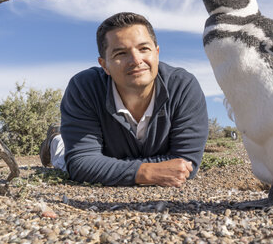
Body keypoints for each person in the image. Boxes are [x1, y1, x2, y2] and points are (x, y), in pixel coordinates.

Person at [39, 12, 208, 187]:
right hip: (94, 152)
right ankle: (55, 143)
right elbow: (81, 163)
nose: (136, 60)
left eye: (144, 49)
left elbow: (186, 164)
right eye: (120, 53)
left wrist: (105, 166)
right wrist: (145, 172)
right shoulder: (84, 87)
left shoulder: (183, 86)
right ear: (104, 65)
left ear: (157, 53)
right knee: (64, 160)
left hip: (105, 158)